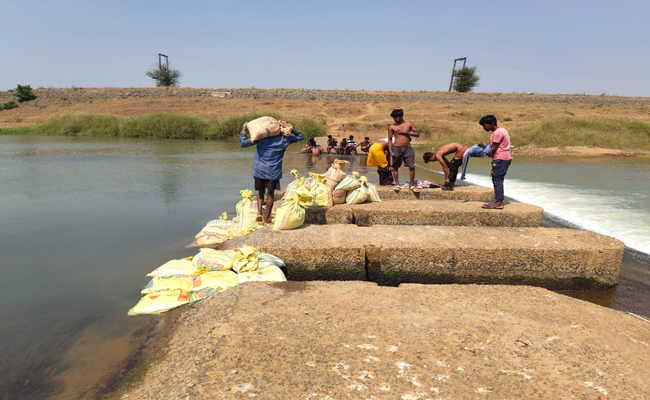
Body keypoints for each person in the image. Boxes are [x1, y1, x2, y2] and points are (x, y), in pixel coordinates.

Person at [239, 122, 304, 224]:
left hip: (259, 170)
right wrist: (291, 128)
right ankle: (267, 220)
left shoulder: (261, 138)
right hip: (273, 172)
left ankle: (259, 213)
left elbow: (243, 143)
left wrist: (243, 130)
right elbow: (300, 136)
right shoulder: (285, 140)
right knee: (270, 194)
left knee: (260, 193)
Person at [479, 115, 512, 209]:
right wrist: (484, 145)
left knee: (497, 180)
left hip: (500, 158)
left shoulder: (497, 133)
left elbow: (493, 148)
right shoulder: (502, 130)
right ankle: (498, 200)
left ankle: (499, 202)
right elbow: (494, 145)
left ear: (492, 124)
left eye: (485, 125)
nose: (484, 128)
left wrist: (481, 153)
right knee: (497, 179)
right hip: (504, 158)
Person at [388, 109, 420, 192]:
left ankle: (411, 185)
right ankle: (397, 184)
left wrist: (406, 132)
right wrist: (391, 151)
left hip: (407, 148)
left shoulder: (409, 124)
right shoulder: (392, 127)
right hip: (397, 147)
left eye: (396, 117)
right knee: (395, 167)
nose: (395, 119)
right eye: (393, 117)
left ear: (401, 116)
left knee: (411, 166)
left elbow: (417, 134)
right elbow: (390, 139)